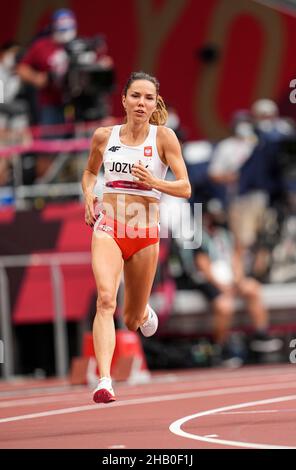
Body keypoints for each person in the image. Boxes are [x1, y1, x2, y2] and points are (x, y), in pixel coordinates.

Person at [81, 71, 191, 403]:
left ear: (154, 102)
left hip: (144, 233)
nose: (141, 103)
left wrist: (154, 182)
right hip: (109, 227)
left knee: (130, 319)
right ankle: (104, 380)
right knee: (105, 299)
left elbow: (184, 187)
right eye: (135, 96)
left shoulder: (164, 138)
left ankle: (142, 313)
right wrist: (89, 196)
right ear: (124, 100)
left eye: (148, 98)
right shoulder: (104, 136)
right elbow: (89, 173)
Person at [192, 200, 283, 367]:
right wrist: (223, 287)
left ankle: (260, 335)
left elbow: (236, 258)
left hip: (229, 279)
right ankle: (220, 348)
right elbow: (203, 266)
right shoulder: (198, 237)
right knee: (225, 306)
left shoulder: (225, 235)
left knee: (253, 289)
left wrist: (238, 280)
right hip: (210, 281)